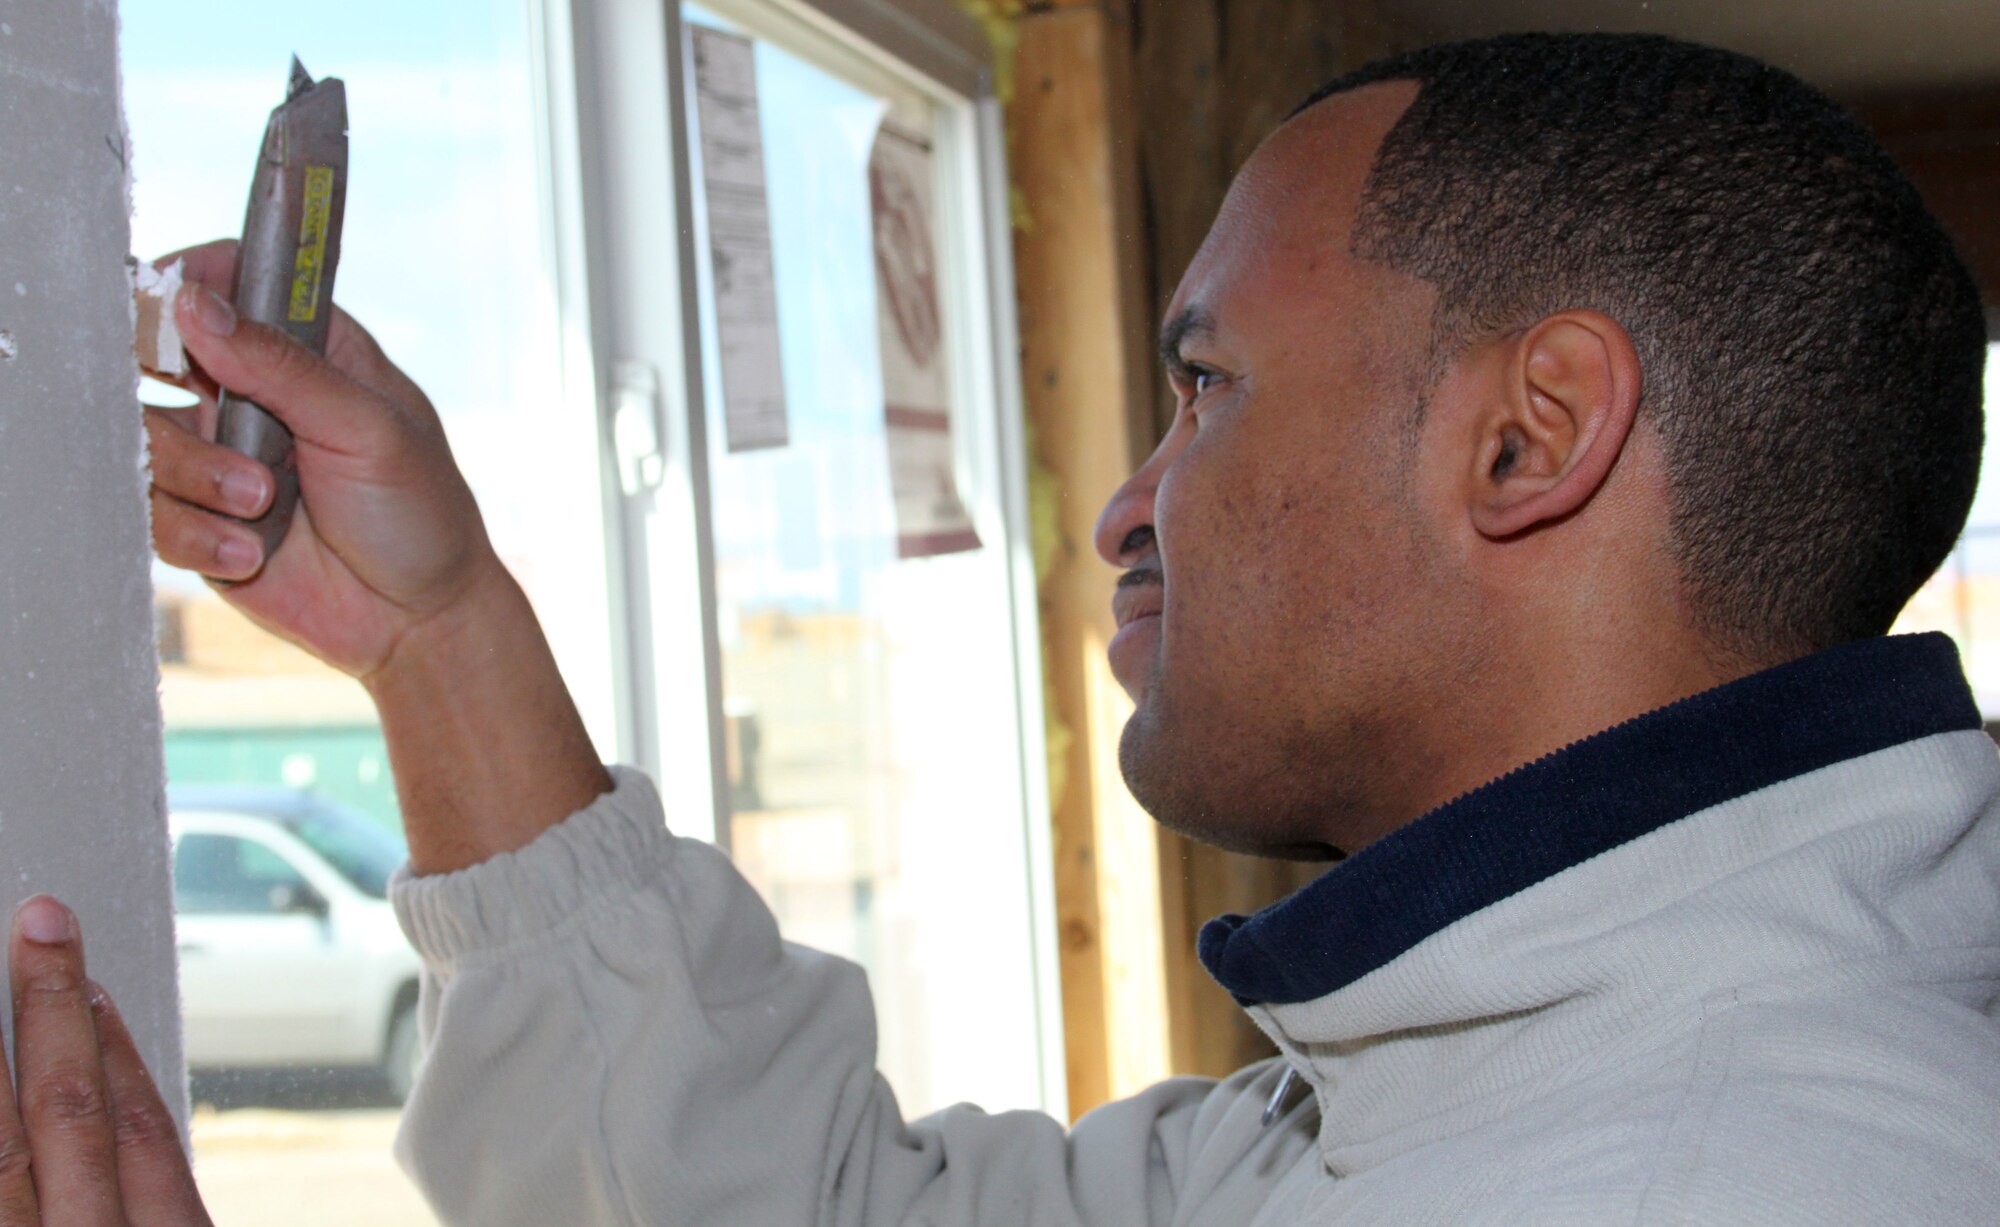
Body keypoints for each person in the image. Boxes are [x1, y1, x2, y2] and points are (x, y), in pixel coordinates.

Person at [14, 29, 1997, 1225]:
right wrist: (435, 636)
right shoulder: (1480, 1069)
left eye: (1203, 383)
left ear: (1527, 438)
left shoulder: (1715, 1174)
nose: (1130, 502)